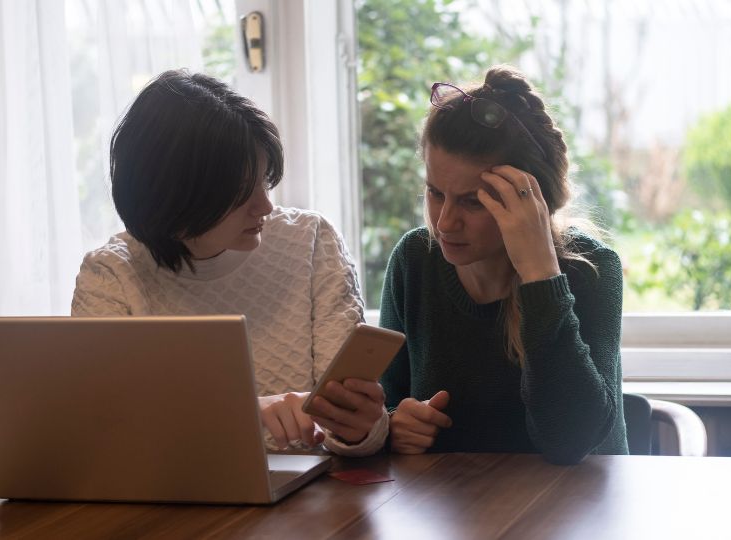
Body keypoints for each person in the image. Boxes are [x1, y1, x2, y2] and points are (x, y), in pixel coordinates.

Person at [71, 70, 386, 457]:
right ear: (178, 195)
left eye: (265, 183)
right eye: (243, 192)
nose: (266, 207)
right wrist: (248, 412)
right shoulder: (111, 275)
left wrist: (359, 429)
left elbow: (357, 429)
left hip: (309, 501)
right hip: (174, 500)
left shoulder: (309, 240)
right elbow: (108, 430)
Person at [380, 65, 627, 464]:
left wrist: (540, 275)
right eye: (435, 192)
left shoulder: (591, 269)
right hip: (447, 511)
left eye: (472, 201)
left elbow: (569, 440)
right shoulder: (415, 261)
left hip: (571, 514)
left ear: (531, 198)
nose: (444, 223)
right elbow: (384, 402)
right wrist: (393, 424)